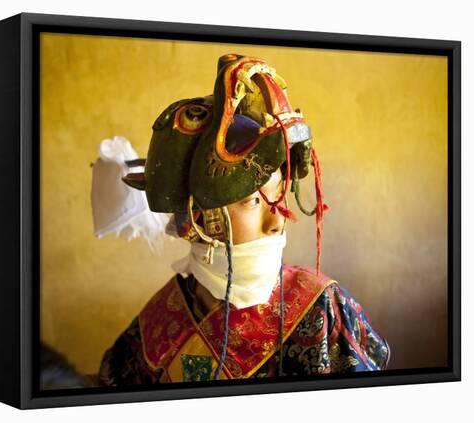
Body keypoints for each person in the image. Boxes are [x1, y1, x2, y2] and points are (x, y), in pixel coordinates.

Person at [94, 54, 390, 385]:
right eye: (252, 201)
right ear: (195, 219)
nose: (277, 223)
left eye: (278, 198)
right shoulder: (158, 322)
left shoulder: (321, 307)